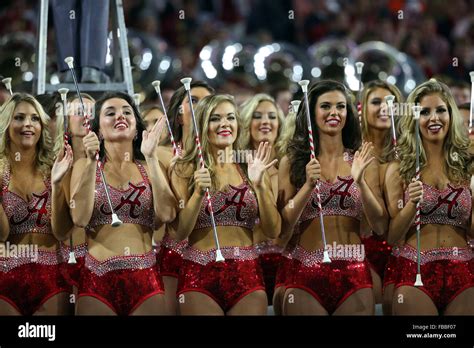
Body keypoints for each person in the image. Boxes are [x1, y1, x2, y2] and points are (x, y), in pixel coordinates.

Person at [279, 80, 387, 315]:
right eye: (325, 106)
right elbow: (282, 227)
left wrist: (360, 182)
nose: (334, 113)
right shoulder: (293, 162)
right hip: (305, 273)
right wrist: (307, 186)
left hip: (354, 272)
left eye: (340, 106)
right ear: (310, 113)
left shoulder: (364, 160)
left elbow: (379, 225)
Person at [171, 94, 281, 315]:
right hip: (199, 274)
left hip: (247, 273)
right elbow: (180, 233)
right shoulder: (184, 168)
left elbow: (273, 230)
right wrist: (198, 194)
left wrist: (260, 185)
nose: (224, 124)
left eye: (230, 117)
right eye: (215, 118)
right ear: (202, 124)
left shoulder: (252, 166)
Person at [69, 91, 176, 315]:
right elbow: (79, 218)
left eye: (127, 112)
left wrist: (152, 157)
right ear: (97, 129)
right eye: (110, 113)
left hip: (145, 278)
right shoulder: (82, 166)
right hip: (97, 279)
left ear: (137, 128)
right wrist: (90, 162)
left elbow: (167, 214)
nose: (120, 116)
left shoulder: (149, 167)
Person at [386, 79, 474, 315]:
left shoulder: (468, 166)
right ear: (414, 117)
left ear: (451, 115)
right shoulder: (400, 168)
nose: (434, 118)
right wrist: (410, 205)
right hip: (415, 271)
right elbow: (393, 236)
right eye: (425, 112)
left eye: (441, 110)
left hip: (464, 271)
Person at [0, 93, 72, 315]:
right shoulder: (1, 170)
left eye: (34, 118)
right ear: (6, 124)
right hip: (6, 273)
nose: (27, 125)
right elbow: (2, 235)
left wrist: (58, 184)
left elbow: (61, 232)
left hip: (52, 274)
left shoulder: (55, 166)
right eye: (19, 118)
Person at [155, 81, 214, 314]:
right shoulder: (160, 154)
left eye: (207, 102)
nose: (201, 107)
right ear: (178, 117)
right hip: (174, 254)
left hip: (212, 256)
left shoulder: (223, 156)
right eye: (193, 101)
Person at [359, 80, 403, 314]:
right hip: (361, 253)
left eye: (391, 102)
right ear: (362, 108)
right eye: (376, 102)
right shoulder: (350, 152)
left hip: (403, 252)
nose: (384, 107)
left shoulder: (411, 152)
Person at [239, 93, 285, 307]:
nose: (265, 121)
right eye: (257, 116)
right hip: (245, 265)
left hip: (288, 265)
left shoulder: (294, 169)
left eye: (272, 116)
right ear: (246, 123)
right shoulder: (234, 168)